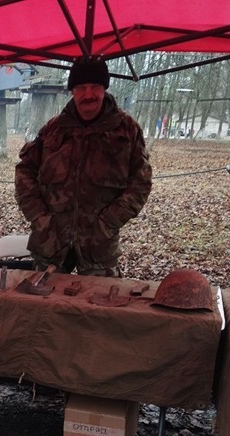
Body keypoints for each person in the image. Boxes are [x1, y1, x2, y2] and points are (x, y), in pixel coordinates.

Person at [15, 57, 152, 276]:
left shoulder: (126, 130)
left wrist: (108, 222)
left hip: (98, 246)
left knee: (99, 307)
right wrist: (39, 216)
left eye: (95, 87)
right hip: (51, 242)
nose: (88, 95)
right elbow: (24, 172)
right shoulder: (54, 129)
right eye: (81, 88)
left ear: (104, 88)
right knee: (44, 308)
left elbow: (141, 183)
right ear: (72, 91)